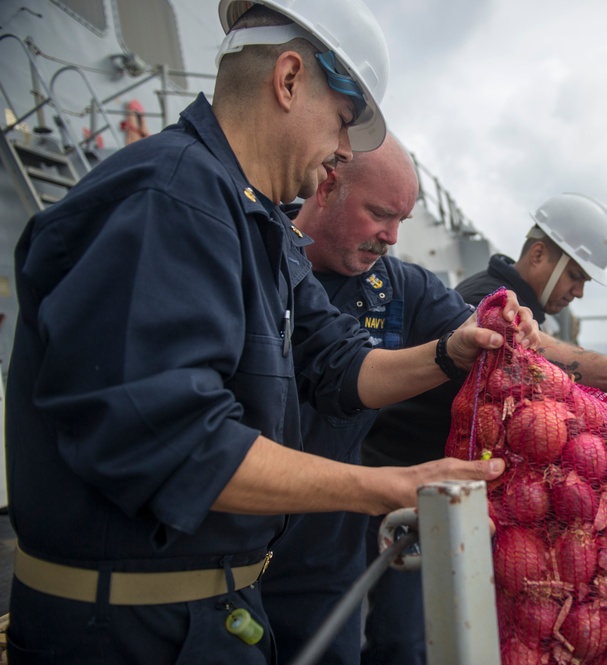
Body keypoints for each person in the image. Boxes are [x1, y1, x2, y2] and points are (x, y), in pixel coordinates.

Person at [2, 1, 538, 662]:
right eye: (344, 121)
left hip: (211, 612)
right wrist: (392, 485)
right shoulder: (166, 201)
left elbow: (338, 366)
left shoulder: (258, 228)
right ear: (287, 80)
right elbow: (180, 446)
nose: (343, 149)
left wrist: (448, 353)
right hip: (127, 629)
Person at [357, 193, 607, 664]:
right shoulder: (484, 297)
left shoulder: (518, 302)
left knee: (428, 634)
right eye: (575, 274)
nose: (578, 291)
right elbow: (531, 361)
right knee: (406, 641)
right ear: (539, 254)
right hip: (408, 488)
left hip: (444, 491)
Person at [261, 133, 476, 664]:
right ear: (327, 183)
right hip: (229, 552)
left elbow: (353, 370)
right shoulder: (255, 257)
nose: (392, 237)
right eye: (380, 213)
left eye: (403, 220)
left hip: (325, 562)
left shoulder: (401, 288)